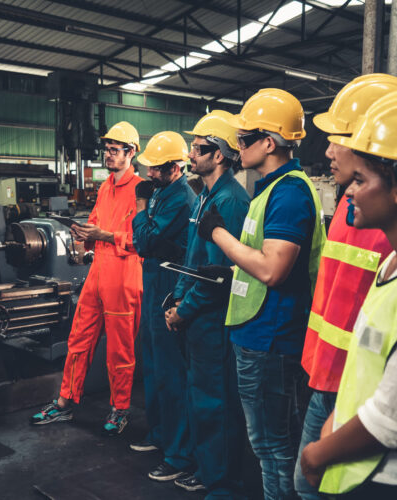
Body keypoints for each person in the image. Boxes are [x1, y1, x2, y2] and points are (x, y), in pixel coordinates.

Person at [300, 88, 397, 500]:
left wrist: (316, 454)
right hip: (353, 458)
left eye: (361, 179)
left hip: (388, 481)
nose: (349, 191)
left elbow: (394, 419)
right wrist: (331, 422)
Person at [199, 89, 326, 499]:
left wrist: (218, 234)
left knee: (272, 447)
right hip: (260, 334)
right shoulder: (270, 188)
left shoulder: (288, 192)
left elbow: (272, 269)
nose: (237, 147)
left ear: (269, 142)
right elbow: (260, 257)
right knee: (273, 443)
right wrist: (234, 266)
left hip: (269, 339)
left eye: (244, 138)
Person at [31, 121, 143, 435]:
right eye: (106, 149)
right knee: (79, 339)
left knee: (120, 349)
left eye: (114, 150)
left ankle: (120, 409)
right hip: (97, 274)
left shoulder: (141, 190)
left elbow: (143, 239)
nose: (108, 155)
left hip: (124, 276)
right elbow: (94, 224)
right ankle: (65, 402)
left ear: (130, 152)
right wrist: (82, 236)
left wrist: (104, 234)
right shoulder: (106, 186)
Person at [165, 110, 250, 498]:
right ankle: (206, 465)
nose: (191, 155)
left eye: (198, 148)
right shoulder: (204, 197)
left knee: (215, 400)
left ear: (218, 154)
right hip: (195, 313)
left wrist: (185, 309)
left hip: (212, 317)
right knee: (200, 397)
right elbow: (193, 257)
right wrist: (178, 298)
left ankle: (220, 478)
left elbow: (217, 273)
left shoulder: (231, 200)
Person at [131, 131, 196, 481]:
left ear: (176, 167)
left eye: (156, 169)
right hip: (153, 281)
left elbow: (145, 241)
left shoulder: (180, 198)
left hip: (169, 284)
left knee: (172, 373)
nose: (149, 174)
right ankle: (160, 435)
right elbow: (144, 240)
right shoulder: (161, 192)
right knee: (154, 367)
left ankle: (180, 453)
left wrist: (140, 210)